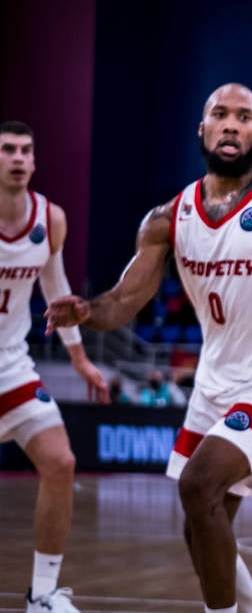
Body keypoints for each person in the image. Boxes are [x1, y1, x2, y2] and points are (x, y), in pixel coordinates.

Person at [44, 84, 252, 613]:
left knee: (198, 488)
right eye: (219, 115)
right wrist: (88, 312)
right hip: (216, 379)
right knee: (200, 524)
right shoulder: (167, 219)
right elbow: (125, 301)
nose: (231, 125)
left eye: (243, 117)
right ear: (201, 129)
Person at [0, 120, 110, 613]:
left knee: (61, 463)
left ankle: (42, 595)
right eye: (7, 150)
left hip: (12, 368)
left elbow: (56, 288)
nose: (18, 158)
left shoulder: (51, 218)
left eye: (26, 149)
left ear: (35, 160)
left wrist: (80, 359)